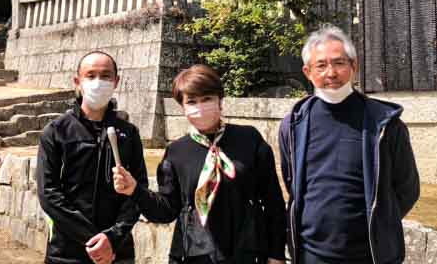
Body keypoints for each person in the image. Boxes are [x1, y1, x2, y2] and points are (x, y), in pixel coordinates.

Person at [113, 64, 286, 264]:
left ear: (220, 100)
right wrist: (135, 190)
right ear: (183, 107)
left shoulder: (249, 139)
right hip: (195, 254)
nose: (200, 107)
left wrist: (276, 253)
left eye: (207, 99)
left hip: (247, 251)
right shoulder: (176, 151)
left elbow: (273, 201)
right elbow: (167, 210)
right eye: (192, 101)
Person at [279, 25, 420, 264]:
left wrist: (380, 222)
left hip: (371, 255)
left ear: (354, 66)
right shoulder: (293, 125)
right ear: (307, 72)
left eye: (339, 63)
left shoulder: (385, 124)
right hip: (311, 254)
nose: (331, 73)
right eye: (321, 65)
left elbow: (407, 188)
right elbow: (292, 182)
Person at [36, 50, 148, 264]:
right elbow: (48, 193)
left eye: (106, 76)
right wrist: (93, 240)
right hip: (67, 251)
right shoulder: (56, 132)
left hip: (118, 251)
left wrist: (113, 238)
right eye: (91, 75)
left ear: (116, 81)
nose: (98, 81)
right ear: (77, 82)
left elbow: (138, 190)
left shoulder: (129, 133)